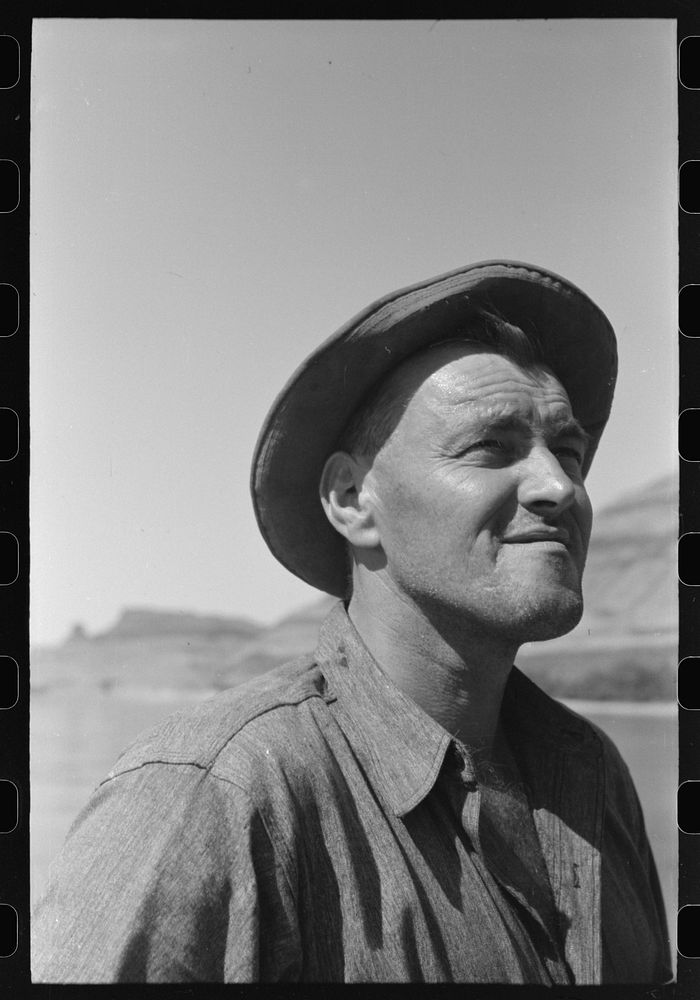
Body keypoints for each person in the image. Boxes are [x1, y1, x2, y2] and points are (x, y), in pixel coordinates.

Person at [33, 260, 671, 984]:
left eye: (570, 450)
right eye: (491, 446)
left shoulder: (593, 774)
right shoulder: (211, 801)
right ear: (352, 500)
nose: (560, 486)